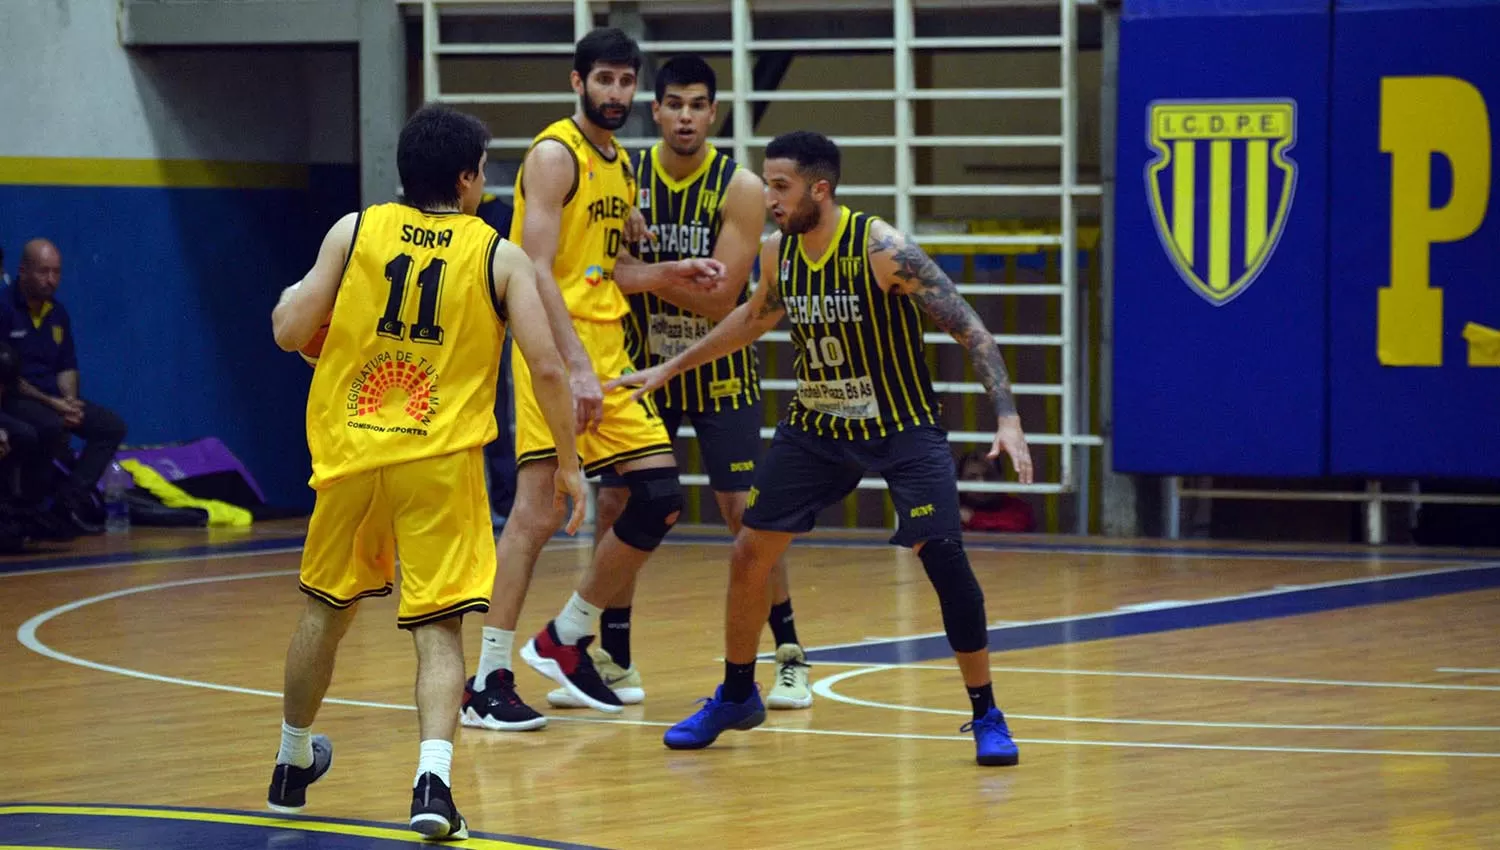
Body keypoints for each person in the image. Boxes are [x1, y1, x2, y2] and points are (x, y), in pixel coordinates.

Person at [610, 130, 1034, 766]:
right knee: (750, 550)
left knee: (943, 557)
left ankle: (986, 713)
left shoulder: (880, 248)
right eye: (768, 185)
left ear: (820, 188)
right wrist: (670, 369)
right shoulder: (780, 255)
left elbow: (969, 326)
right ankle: (735, 695)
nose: (770, 199)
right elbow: (750, 320)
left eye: (780, 187)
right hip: (817, 428)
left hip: (900, 428)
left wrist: (1008, 417)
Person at [267, 103, 588, 840]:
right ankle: (433, 785)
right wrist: (567, 464)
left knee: (324, 610)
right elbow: (545, 368)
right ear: (469, 177)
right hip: (439, 464)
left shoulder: (354, 232)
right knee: (437, 629)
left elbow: (289, 331)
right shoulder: (497, 255)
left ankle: (290, 765)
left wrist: (307, 316)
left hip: (354, 456)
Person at [462, 28, 725, 731]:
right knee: (536, 514)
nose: (615, 94)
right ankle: (486, 678)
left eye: (624, 81)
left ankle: (566, 638)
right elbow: (536, 267)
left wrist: (666, 274)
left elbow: (602, 270)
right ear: (576, 83)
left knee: (661, 497)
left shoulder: (621, 166)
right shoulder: (555, 155)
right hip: (556, 352)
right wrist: (572, 365)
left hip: (607, 354)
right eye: (602, 80)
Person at [546, 55, 814, 712]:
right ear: (656, 110)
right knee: (617, 508)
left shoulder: (741, 185)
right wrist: (650, 273)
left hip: (719, 372)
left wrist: (639, 272)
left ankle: (787, 654)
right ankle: (616, 659)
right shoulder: (625, 177)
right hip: (643, 368)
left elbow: (723, 298)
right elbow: (594, 270)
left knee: (745, 518)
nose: (686, 115)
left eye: (698, 104)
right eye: (674, 103)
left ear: (713, 113)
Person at [0, 238, 128, 533]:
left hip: (53, 399)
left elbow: (66, 366)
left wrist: (69, 401)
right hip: (19, 397)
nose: (51, 280)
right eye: (44, 272)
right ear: (23, 271)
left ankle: (66, 506)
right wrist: (54, 405)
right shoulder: (5, 309)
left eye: (56, 272)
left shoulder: (58, 314)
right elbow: (6, 377)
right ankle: (28, 509)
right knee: (49, 425)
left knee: (110, 426)